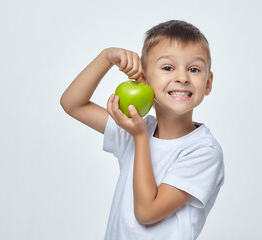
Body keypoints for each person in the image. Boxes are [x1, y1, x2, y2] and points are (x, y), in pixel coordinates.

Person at [60, 20, 225, 240]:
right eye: (168, 68)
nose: (183, 77)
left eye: (194, 69)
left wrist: (139, 138)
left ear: (207, 83)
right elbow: (72, 103)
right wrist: (106, 57)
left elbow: (147, 212)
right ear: (144, 79)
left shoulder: (203, 151)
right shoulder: (137, 127)